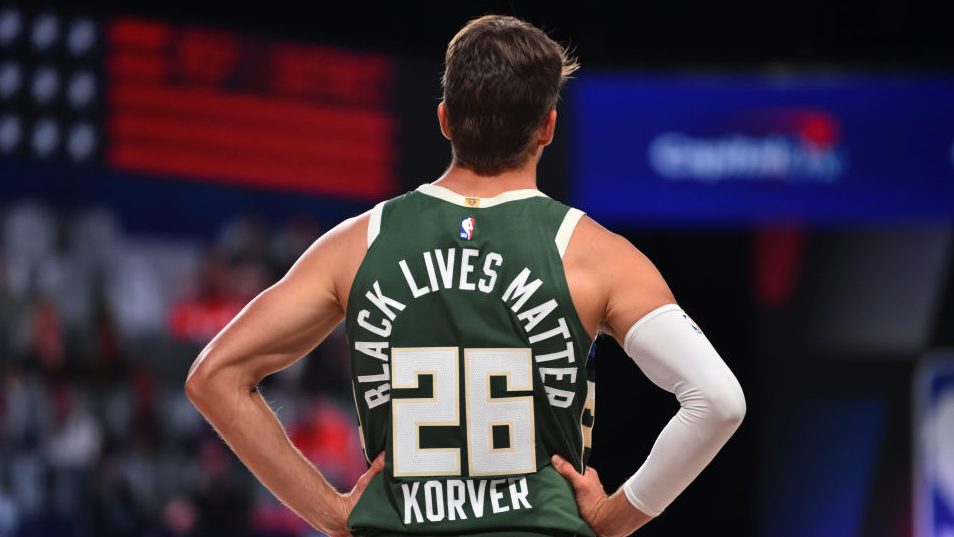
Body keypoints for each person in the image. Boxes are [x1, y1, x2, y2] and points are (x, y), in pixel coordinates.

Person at [185, 14, 746, 537]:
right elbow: (718, 401)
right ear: (548, 127)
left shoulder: (358, 245)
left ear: (444, 119)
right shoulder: (595, 255)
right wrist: (615, 517)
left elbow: (215, 377)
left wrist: (330, 512)